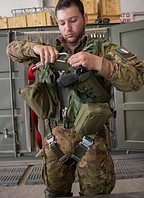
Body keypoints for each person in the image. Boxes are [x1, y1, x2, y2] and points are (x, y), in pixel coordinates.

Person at [6, 0, 144, 197]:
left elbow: (137, 80)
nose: (68, 28)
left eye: (73, 20)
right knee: (55, 193)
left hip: (92, 140)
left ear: (85, 18)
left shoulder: (104, 49)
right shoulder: (48, 51)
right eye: (62, 23)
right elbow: (12, 49)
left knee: (97, 193)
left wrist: (98, 64)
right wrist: (35, 48)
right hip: (55, 141)